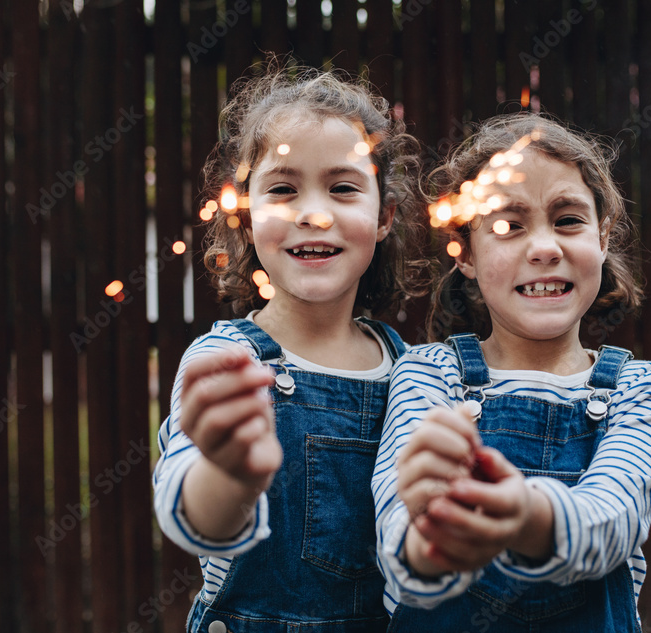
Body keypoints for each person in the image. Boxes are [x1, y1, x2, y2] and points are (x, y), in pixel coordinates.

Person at [372, 112, 651, 631]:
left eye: (568, 220)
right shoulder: (427, 375)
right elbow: (397, 542)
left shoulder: (646, 388)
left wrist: (523, 514)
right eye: (506, 225)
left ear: (603, 238)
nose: (544, 247)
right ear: (467, 254)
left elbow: (613, 520)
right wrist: (429, 539)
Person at [152, 64, 428, 633]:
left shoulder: (416, 373)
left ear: (384, 217)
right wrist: (228, 475)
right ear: (247, 220)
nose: (314, 212)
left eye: (343, 187)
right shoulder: (225, 362)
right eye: (282, 188)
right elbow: (196, 515)